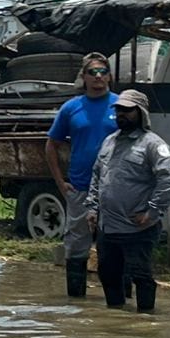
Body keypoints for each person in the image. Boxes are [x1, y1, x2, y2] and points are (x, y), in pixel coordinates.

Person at [86, 88, 170, 313]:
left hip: (138, 227)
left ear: (141, 113)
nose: (121, 115)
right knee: (107, 274)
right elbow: (97, 175)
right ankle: (116, 320)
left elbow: (169, 179)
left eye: (127, 111)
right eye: (118, 110)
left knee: (141, 275)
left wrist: (152, 212)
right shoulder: (109, 142)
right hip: (108, 226)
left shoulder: (153, 144)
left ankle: (146, 319)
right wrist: (92, 207)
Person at [45, 52, 118, 298]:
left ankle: (120, 300)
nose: (98, 77)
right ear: (83, 77)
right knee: (77, 247)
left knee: (117, 245)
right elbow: (52, 144)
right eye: (92, 72)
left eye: (103, 72)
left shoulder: (122, 105)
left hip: (116, 189)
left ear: (110, 76)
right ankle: (76, 299)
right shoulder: (71, 108)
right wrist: (60, 182)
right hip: (79, 186)